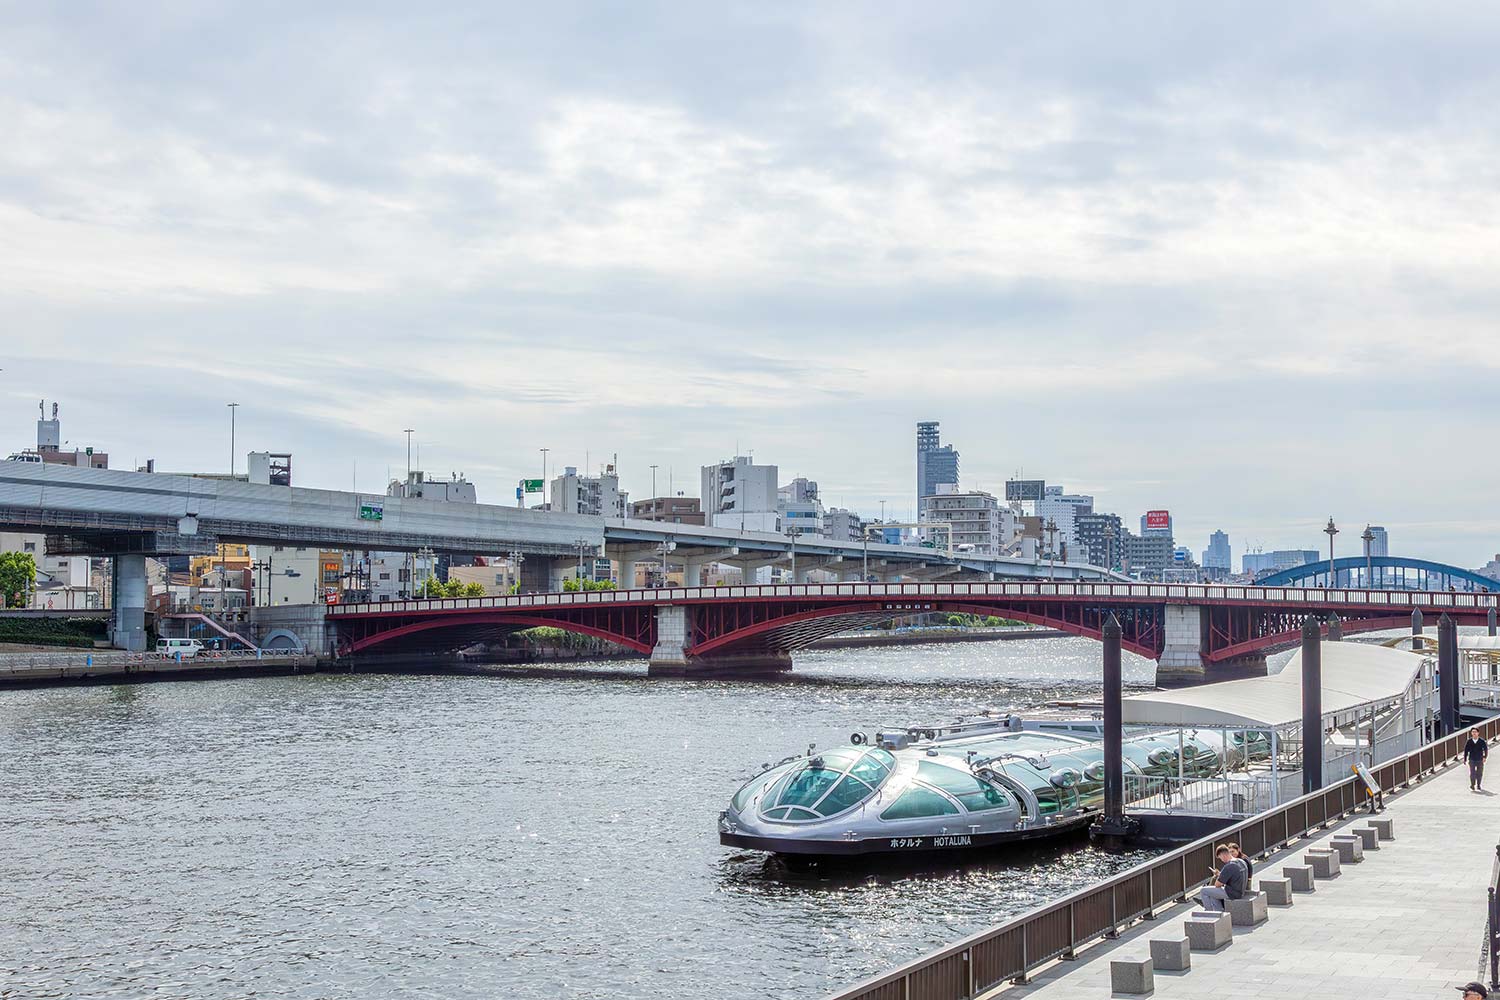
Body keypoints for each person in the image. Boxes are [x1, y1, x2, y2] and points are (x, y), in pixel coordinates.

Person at [1198, 844, 1247, 912]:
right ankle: (1219, 912)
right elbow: (1235, 876)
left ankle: (1208, 912)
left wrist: (1219, 876)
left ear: (1222, 855)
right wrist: (1221, 875)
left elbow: (1217, 885)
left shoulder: (1229, 865)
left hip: (1232, 893)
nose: (1221, 860)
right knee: (1213, 894)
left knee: (1203, 891)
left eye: (1220, 858)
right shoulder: (1241, 861)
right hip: (1241, 891)